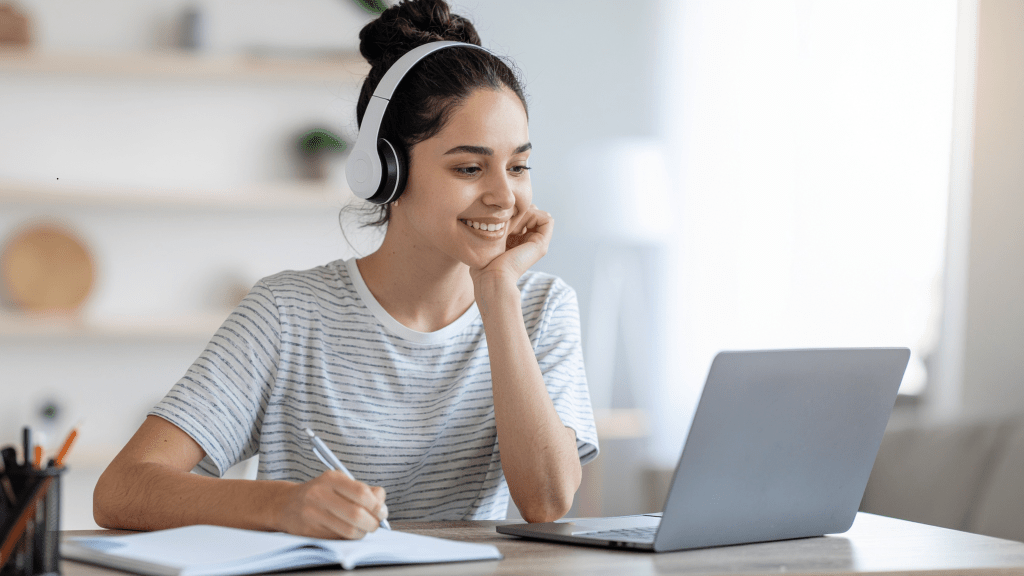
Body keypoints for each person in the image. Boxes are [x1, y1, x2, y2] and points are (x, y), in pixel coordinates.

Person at [93, 0, 598, 540]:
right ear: (385, 171)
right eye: (469, 168)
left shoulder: (542, 305)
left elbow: (546, 501)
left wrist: (498, 292)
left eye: (518, 166)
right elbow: (121, 489)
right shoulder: (287, 313)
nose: (503, 197)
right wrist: (280, 507)